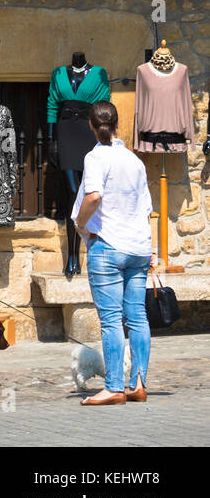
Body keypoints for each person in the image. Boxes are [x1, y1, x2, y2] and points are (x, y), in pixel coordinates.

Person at [73, 100, 156, 406]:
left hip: (108, 245)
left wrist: (81, 224)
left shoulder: (96, 157)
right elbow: (146, 208)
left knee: (110, 321)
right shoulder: (134, 161)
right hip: (138, 247)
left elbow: (94, 195)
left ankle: (113, 387)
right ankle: (138, 384)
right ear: (116, 124)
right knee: (137, 317)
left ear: (91, 126)